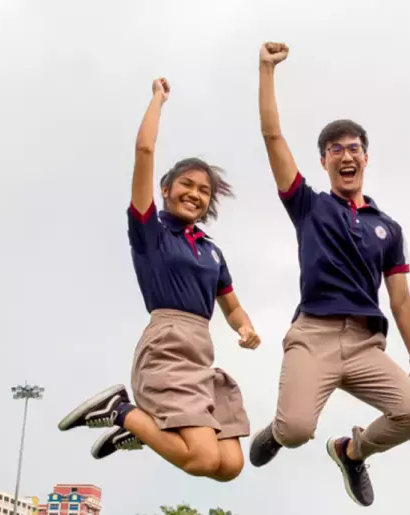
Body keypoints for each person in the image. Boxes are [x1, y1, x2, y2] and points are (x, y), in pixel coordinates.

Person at [247, 42, 410, 507]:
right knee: (295, 431)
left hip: (366, 343)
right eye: (335, 150)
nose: (346, 156)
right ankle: (280, 426)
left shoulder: (389, 227)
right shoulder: (309, 206)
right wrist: (266, 71)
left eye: (354, 149)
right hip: (315, 335)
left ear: (365, 158)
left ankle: (351, 452)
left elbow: (402, 299)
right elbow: (272, 137)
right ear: (324, 161)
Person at [57, 78, 261, 482]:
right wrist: (157, 100)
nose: (195, 194)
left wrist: (245, 327)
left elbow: (231, 304)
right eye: (186, 184)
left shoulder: (211, 250)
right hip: (168, 343)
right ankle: (120, 410)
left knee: (230, 467)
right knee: (202, 459)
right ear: (166, 190)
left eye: (204, 191)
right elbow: (145, 151)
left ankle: (145, 429)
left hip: (201, 352)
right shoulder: (151, 232)